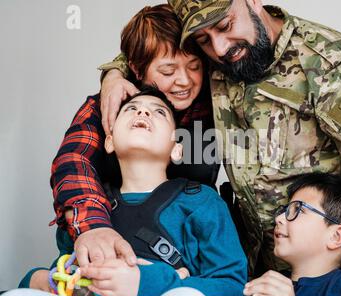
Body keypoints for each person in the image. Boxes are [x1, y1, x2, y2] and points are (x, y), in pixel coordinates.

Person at [99, 0, 341, 296]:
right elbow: (157, 47)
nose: (220, 48)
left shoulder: (333, 63)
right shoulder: (213, 54)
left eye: (226, 25)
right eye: (203, 39)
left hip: (328, 277)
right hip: (254, 274)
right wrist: (115, 71)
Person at [20, 87, 247, 296]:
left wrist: (146, 283)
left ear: (177, 148)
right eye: (131, 108)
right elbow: (61, 270)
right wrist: (38, 278)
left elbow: (232, 286)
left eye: (159, 112)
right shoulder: (91, 211)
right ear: (109, 142)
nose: (143, 111)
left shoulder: (201, 201)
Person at [49, 5, 221, 275]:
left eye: (195, 66)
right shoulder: (110, 107)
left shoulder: (214, 101)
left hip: (183, 248)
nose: (185, 80)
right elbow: (74, 161)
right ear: (136, 70)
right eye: (167, 72)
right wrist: (95, 228)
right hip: (109, 229)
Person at [244, 172, 341, 296]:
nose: (278, 218)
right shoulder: (266, 286)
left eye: (298, 210)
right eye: (285, 211)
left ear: (336, 236)